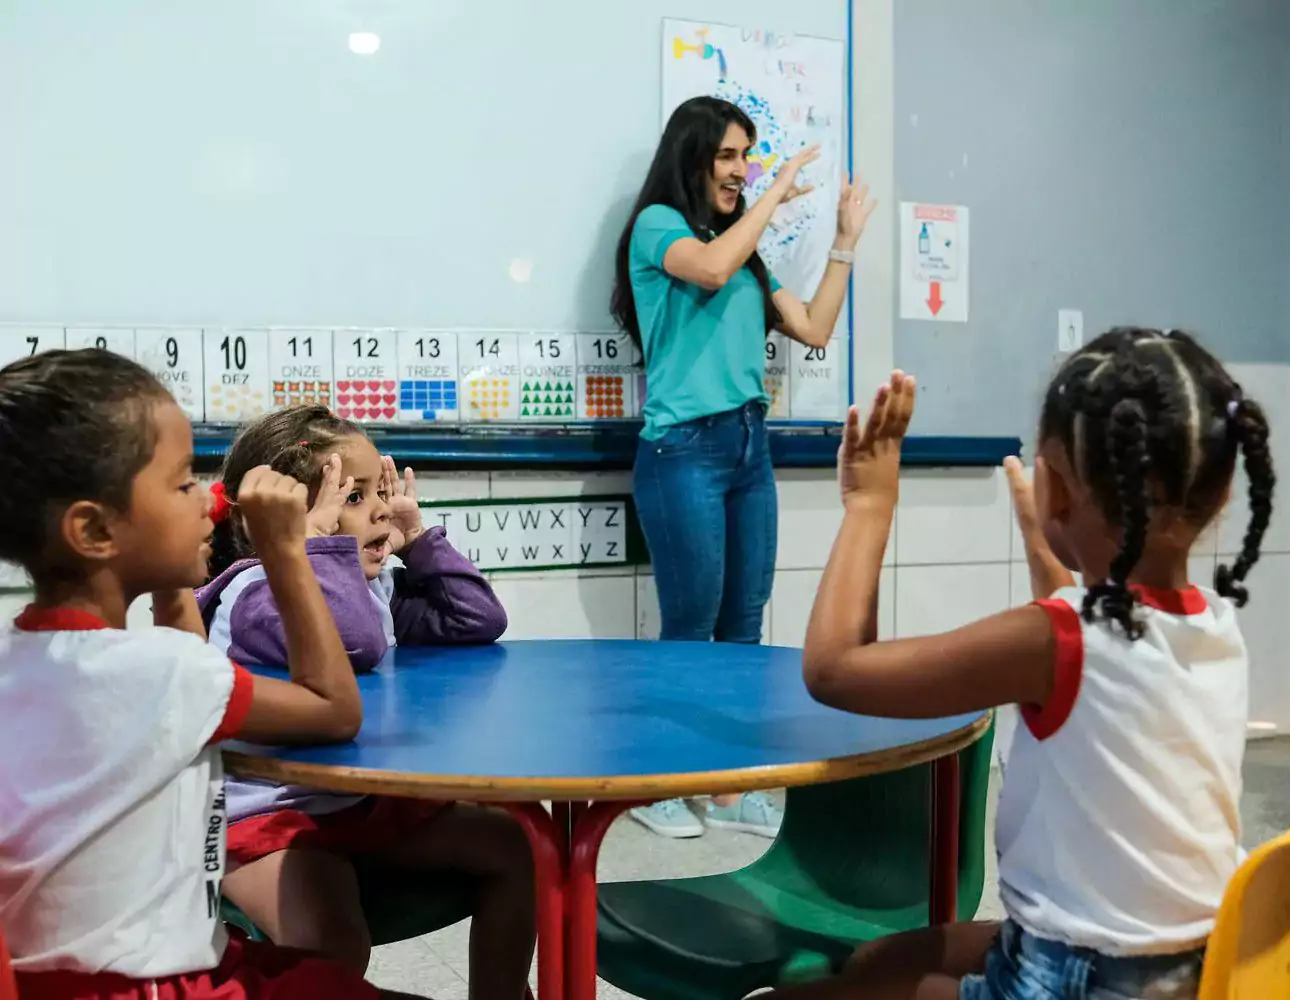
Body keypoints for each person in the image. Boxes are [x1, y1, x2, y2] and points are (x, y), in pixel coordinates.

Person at [779, 328, 1274, 1000]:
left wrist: (868, 505)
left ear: (1057, 491)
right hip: (1190, 964)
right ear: (1218, 497)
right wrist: (1046, 538)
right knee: (878, 963)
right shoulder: (1210, 625)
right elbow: (1094, 648)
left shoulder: (1056, 639)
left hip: (1078, 976)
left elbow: (833, 671)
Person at [0, 349, 424, 998]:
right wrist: (289, 553)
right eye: (181, 485)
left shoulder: (32, 661)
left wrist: (171, 582)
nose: (210, 499)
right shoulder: (160, 674)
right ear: (93, 530)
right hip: (160, 985)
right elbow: (333, 708)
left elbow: (184, 667)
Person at [197, 405, 534, 1000]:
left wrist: (419, 540)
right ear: (280, 523)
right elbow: (355, 641)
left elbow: (477, 619)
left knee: (512, 844)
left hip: (351, 805)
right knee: (334, 940)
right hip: (264, 816)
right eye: (353, 498)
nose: (380, 508)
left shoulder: (368, 587)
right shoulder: (256, 593)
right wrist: (314, 549)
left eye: (379, 490)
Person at [609, 95, 878, 839]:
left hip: (747, 448)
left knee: (743, 627)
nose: (740, 170)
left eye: (747, 157)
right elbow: (709, 268)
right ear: (691, 157)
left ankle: (728, 790)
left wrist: (844, 242)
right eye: (727, 155)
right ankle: (661, 786)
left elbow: (813, 328)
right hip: (681, 451)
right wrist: (773, 190)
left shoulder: (742, 252)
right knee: (690, 625)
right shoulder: (658, 227)